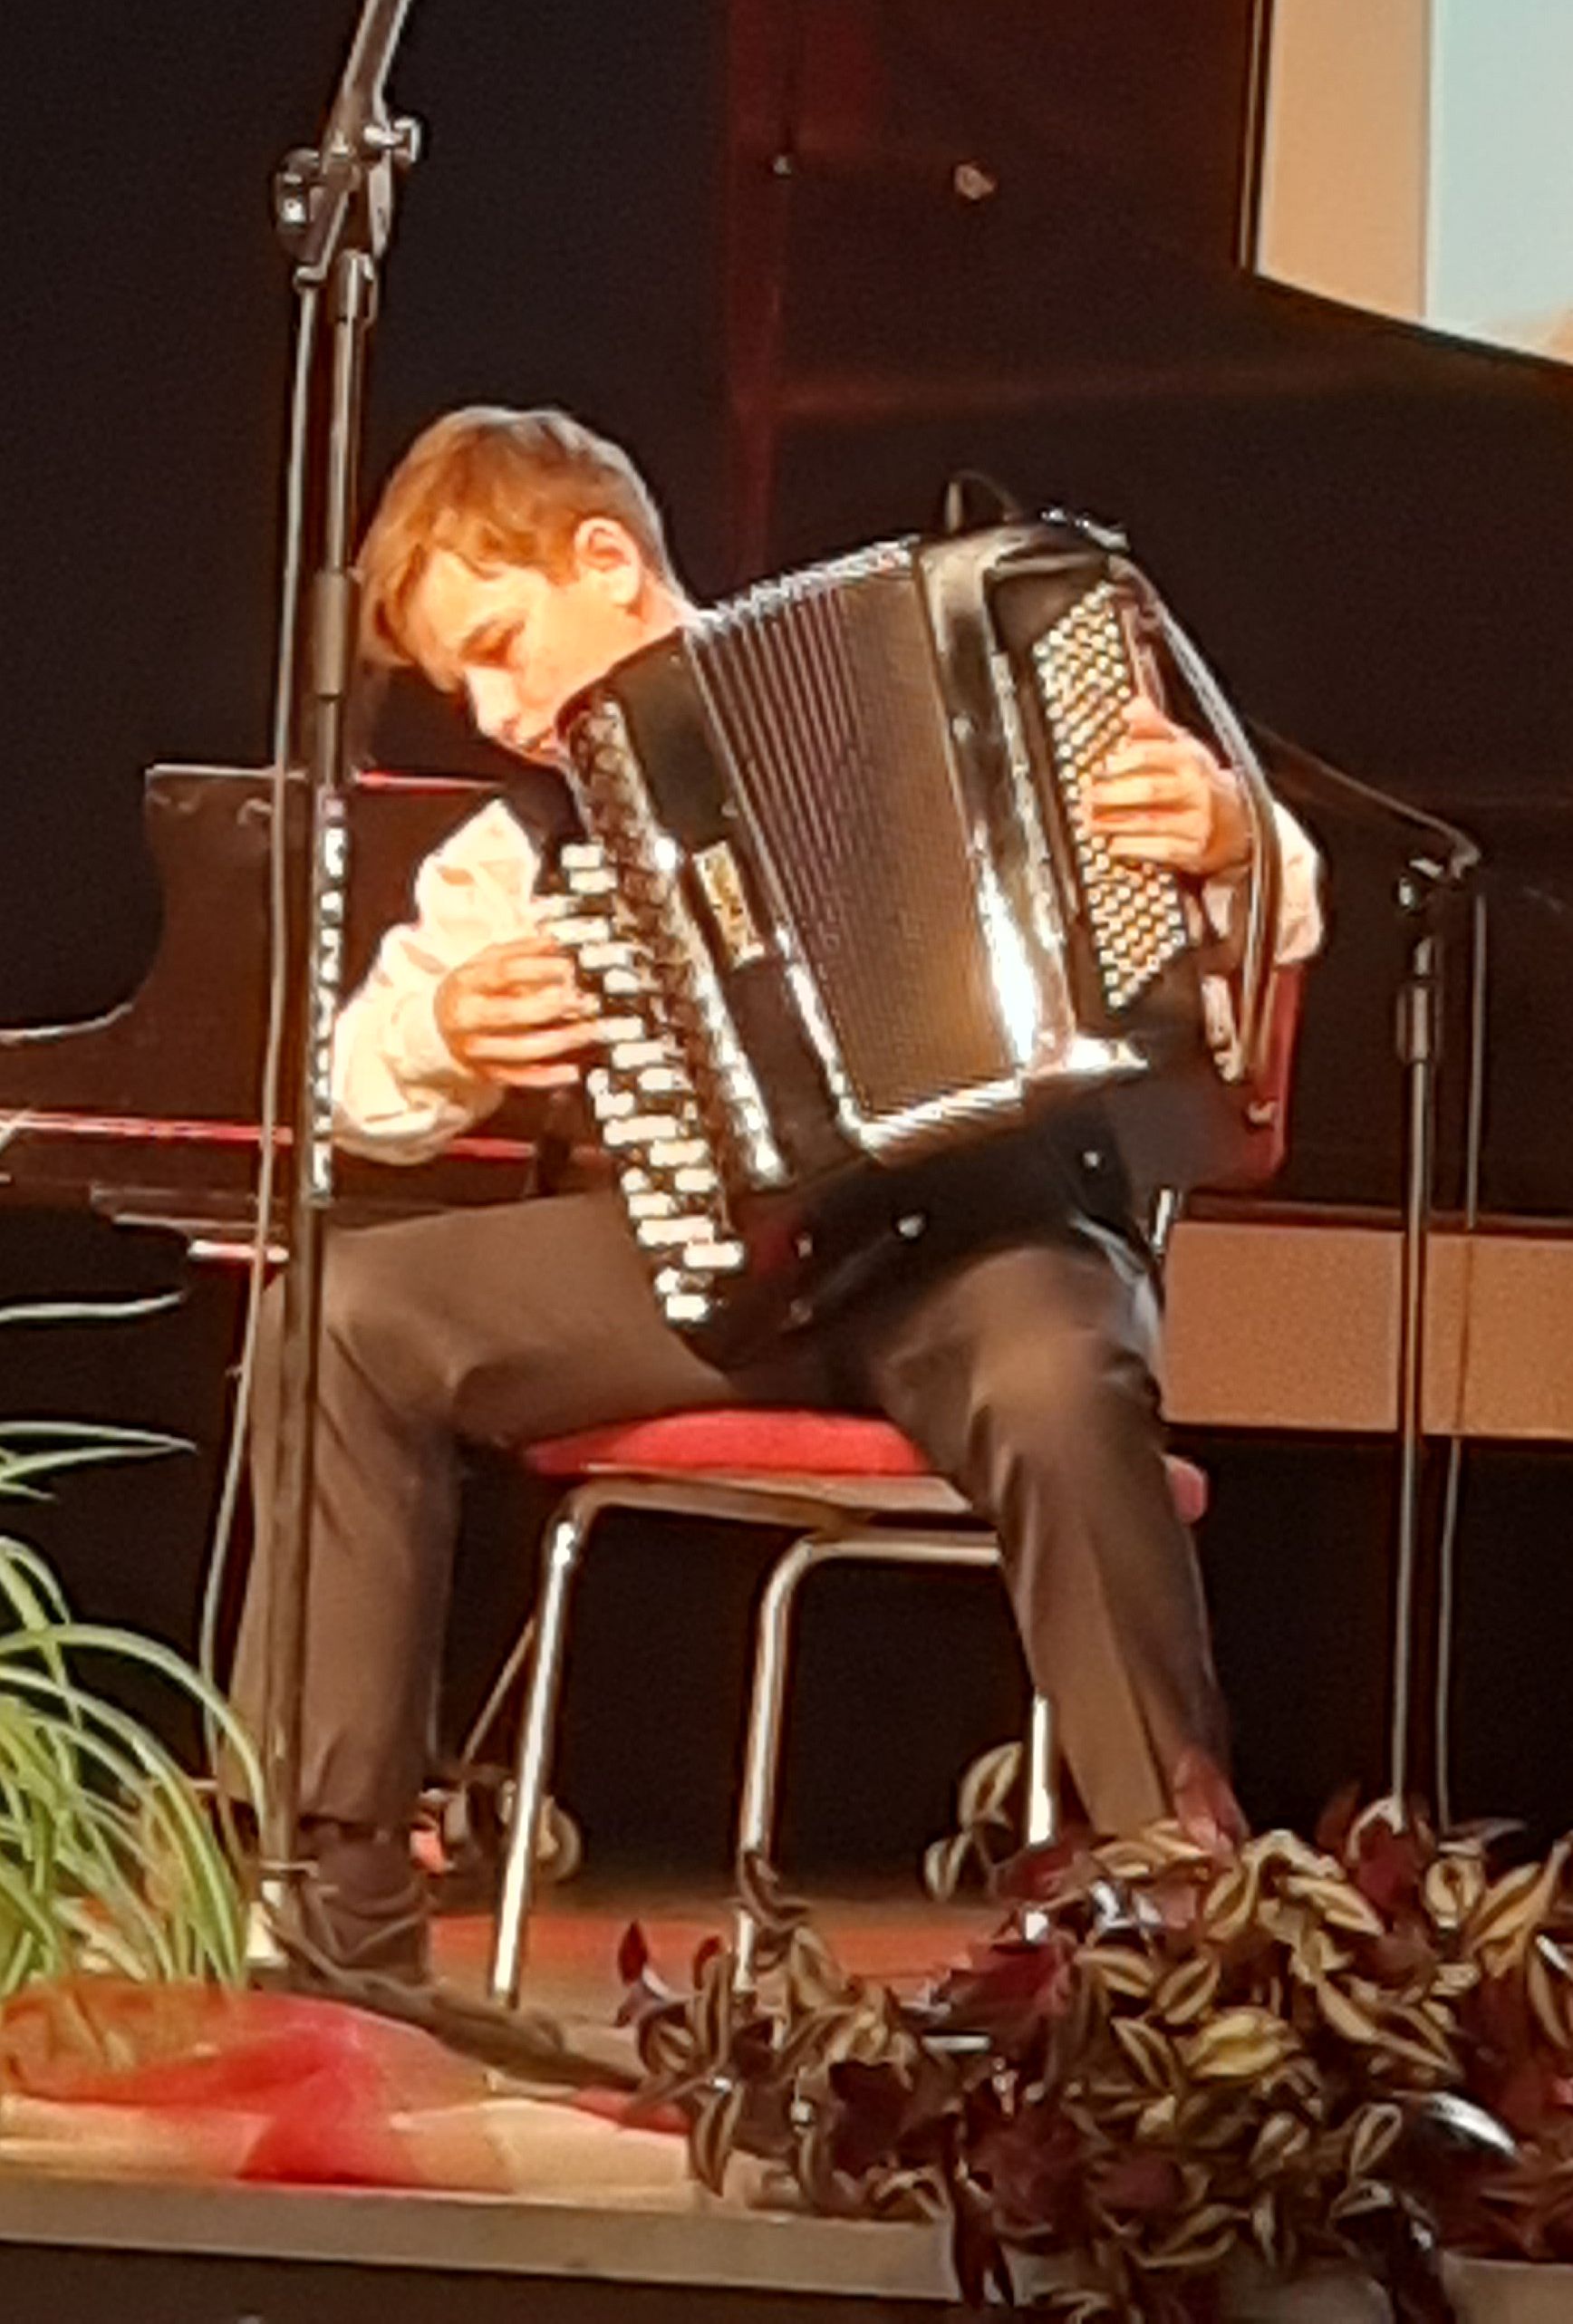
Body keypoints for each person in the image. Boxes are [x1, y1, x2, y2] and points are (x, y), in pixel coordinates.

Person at [231, 405, 1323, 1978]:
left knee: (1058, 1382)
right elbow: (355, 1086)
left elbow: (1280, 904)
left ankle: (1178, 1919)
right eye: (463, 684)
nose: (494, 710)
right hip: (715, 1274)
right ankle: (336, 1906)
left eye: (500, 646)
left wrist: (1222, 833)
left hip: (983, 1248)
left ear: (605, 559)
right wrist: (447, 1034)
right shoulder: (521, 844)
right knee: (336, 1312)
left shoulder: (958, 679)